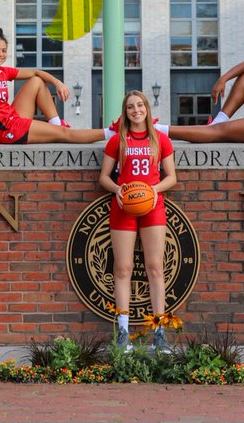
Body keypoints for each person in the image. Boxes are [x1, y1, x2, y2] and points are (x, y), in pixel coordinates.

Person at [98, 90, 177, 353]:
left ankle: (159, 332)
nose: (136, 110)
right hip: (123, 206)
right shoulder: (117, 141)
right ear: (125, 111)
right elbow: (104, 177)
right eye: (130, 107)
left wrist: (154, 190)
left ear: (147, 108)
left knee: (155, 267)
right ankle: (123, 331)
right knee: (122, 269)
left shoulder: (160, 139)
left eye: (140, 105)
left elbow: (172, 178)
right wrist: (116, 190)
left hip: (153, 205)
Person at [0, 26, 109, 145]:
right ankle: (111, 133)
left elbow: (37, 73)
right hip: (3, 129)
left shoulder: (3, 71)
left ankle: (55, 123)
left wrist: (57, 82)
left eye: (3, 50)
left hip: (13, 118)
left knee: (37, 81)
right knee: (65, 134)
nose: (0, 54)